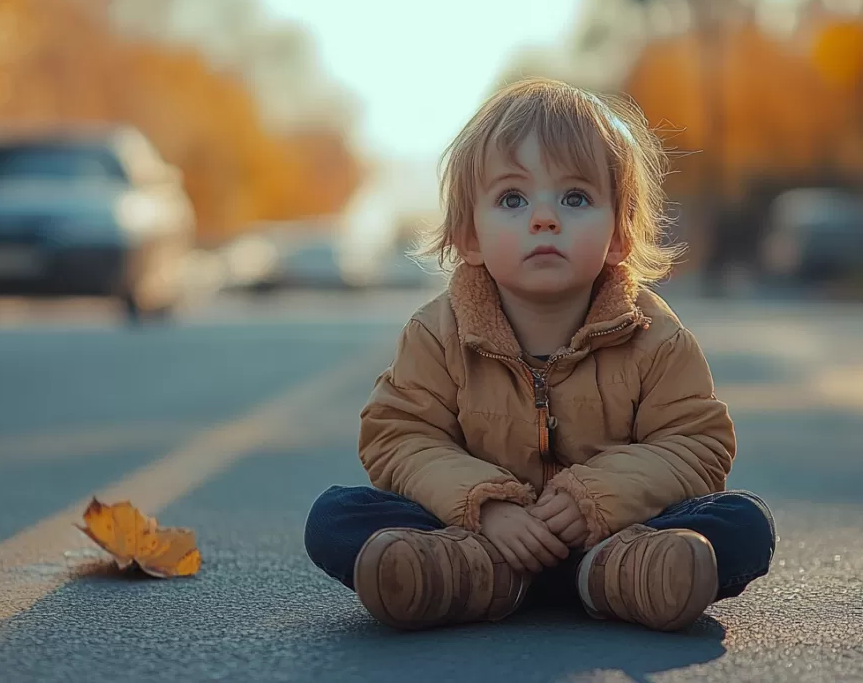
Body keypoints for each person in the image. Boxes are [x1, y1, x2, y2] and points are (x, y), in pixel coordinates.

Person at [304, 78, 775, 632]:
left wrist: (590, 501)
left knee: (744, 523)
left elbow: (697, 445)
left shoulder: (654, 336)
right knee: (336, 518)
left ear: (619, 233)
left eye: (575, 198)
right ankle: (477, 573)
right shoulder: (438, 332)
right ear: (469, 235)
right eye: (513, 198)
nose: (544, 218)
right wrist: (487, 506)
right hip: (481, 535)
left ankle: (612, 576)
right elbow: (398, 436)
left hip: (612, 534)